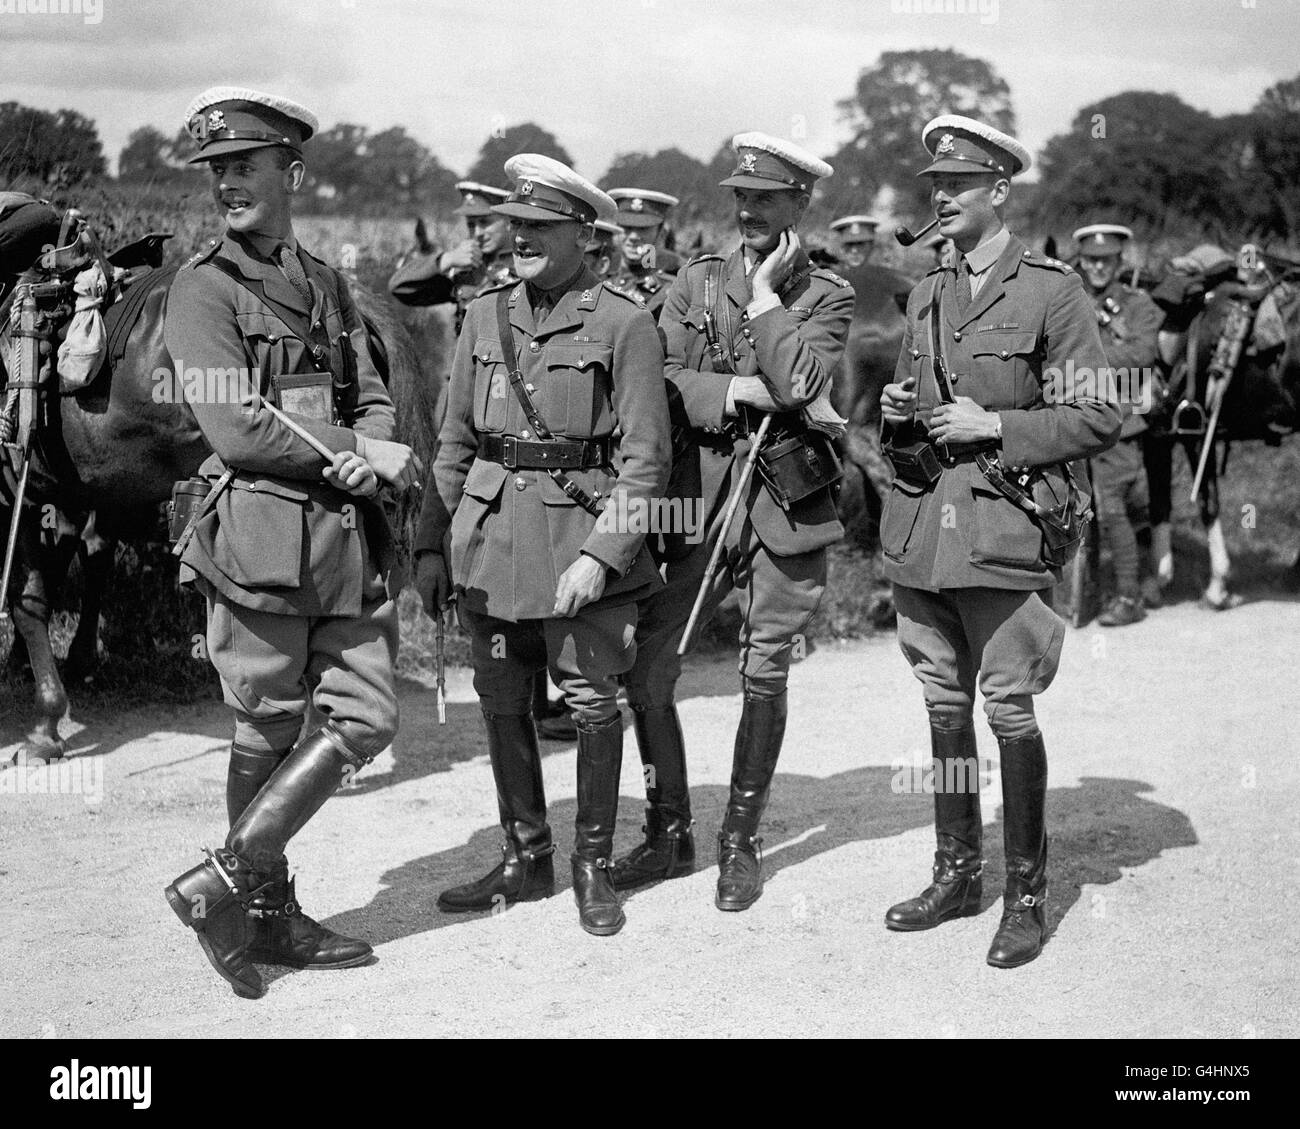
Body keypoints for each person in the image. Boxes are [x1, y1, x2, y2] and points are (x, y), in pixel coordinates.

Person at [161, 87, 420, 999]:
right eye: (216, 170)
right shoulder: (201, 288)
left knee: (368, 714)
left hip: (342, 541)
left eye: (244, 165)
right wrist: (354, 451)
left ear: (291, 173)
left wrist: (370, 456)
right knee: (267, 722)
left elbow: (369, 393)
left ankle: (218, 882)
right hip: (258, 540)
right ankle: (266, 914)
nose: (227, 183)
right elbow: (234, 429)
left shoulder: (326, 281)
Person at [878, 115, 1120, 968]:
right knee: (943, 706)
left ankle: (1025, 893)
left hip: (1005, 527)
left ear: (999, 191)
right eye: (933, 185)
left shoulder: (1053, 291)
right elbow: (911, 418)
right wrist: (898, 418)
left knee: (1007, 706)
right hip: (924, 531)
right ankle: (956, 871)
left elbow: (1099, 413)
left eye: (957, 184)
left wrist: (997, 424)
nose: (940, 197)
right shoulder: (924, 294)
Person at [414, 154, 671, 936]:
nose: (517, 237)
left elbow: (645, 459)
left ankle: (590, 865)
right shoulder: (485, 315)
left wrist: (603, 553)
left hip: (577, 537)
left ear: (583, 235)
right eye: (515, 224)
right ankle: (525, 856)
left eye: (538, 227)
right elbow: (453, 438)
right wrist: (431, 543)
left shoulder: (624, 324)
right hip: (490, 539)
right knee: (500, 701)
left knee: (592, 702)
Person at [612, 132, 854, 911]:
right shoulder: (693, 279)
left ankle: (739, 840)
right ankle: (668, 829)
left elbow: (805, 380)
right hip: (701, 498)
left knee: (765, 665)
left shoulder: (828, 293)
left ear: (801, 205)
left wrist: (767, 301)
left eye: (767, 200)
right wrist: (738, 394)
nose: (749, 211)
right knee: (650, 665)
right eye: (742, 197)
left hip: (788, 500)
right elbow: (663, 377)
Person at [1073, 223, 1163, 625]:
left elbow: (1143, 354)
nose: (1097, 268)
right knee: (1077, 509)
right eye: (1090, 260)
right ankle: (1085, 592)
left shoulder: (1138, 304)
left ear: (1118, 261)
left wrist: (1087, 356)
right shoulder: (1070, 300)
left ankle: (1130, 597)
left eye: (1105, 260)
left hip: (1120, 421)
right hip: (1070, 417)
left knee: (1116, 508)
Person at [388, 180, 516, 336]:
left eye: (485, 222)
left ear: (509, 222)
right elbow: (400, 287)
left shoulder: (526, 267)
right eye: (471, 225)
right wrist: (447, 259)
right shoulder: (468, 270)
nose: (477, 233)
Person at [607, 188, 682, 320]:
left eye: (643, 229)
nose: (634, 236)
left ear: (661, 234)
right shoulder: (599, 278)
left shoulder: (674, 290)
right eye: (627, 227)